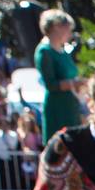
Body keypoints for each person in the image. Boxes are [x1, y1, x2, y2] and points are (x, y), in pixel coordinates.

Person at [35, 10, 84, 143]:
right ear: (57, 26)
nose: (70, 32)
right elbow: (51, 84)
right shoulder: (45, 51)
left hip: (71, 106)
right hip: (57, 109)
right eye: (68, 28)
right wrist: (76, 83)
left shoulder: (63, 51)